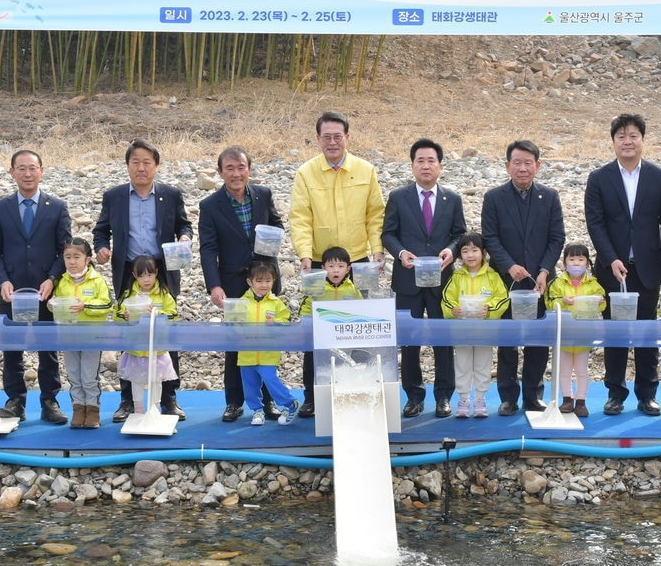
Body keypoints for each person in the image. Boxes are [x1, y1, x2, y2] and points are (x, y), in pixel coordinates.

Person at [584, 113, 661, 416]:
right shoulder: (599, 178)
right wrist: (610, 257)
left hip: (647, 267)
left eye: (633, 135)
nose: (628, 141)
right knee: (615, 334)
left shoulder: (658, 176)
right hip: (612, 268)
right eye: (621, 136)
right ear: (613, 141)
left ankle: (647, 394)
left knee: (646, 333)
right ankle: (615, 393)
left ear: (642, 139)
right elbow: (595, 223)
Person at [289, 111, 385, 417]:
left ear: (348, 137)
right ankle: (313, 395)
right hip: (318, 263)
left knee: (358, 328)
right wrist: (304, 254)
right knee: (315, 331)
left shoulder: (366, 171)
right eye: (326, 137)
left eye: (338, 136)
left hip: (357, 261)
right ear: (318, 139)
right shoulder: (306, 173)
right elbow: (300, 217)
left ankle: (356, 388)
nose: (332, 142)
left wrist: (378, 250)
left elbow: (375, 215)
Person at [94, 139, 193, 421]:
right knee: (129, 331)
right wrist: (102, 247)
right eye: (135, 162)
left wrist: (185, 237)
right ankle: (127, 398)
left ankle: (169, 397)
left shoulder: (170, 195)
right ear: (127, 166)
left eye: (147, 162)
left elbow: (183, 224)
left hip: (162, 269)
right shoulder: (114, 196)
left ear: (156, 166)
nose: (141, 167)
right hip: (128, 271)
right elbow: (101, 230)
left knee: (166, 330)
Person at [198, 145, 285, 423]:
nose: (236, 173)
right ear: (221, 172)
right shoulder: (210, 206)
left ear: (249, 169)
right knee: (236, 343)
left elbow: (277, 224)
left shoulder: (263, 194)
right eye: (230, 168)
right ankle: (234, 402)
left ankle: (268, 402)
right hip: (233, 284)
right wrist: (214, 285)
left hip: (264, 280)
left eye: (241, 167)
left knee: (267, 343)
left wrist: (273, 236)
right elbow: (208, 249)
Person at [0, 148, 72, 424]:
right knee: (12, 348)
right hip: (12, 291)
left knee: (48, 348)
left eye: (32, 168)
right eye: (21, 168)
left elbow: (65, 250)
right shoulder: (1, 208)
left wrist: (53, 278)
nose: (27, 173)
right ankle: (15, 401)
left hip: (45, 291)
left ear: (42, 171)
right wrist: (2, 281)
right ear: (12, 172)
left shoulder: (57, 207)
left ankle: (50, 401)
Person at [383, 138, 466, 418]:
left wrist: (451, 251)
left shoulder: (452, 199)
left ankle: (444, 396)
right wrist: (401, 253)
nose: (426, 165)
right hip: (408, 281)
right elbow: (388, 234)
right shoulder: (398, 197)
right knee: (410, 341)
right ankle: (414, 396)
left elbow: (460, 234)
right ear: (412, 166)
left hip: (442, 282)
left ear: (440, 166)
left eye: (431, 160)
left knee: (443, 340)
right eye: (421, 160)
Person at [482, 140, 566, 415]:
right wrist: (509, 266)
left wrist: (543, 270)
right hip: (506, 280)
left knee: (537, 339)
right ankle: (508, 396)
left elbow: (557, 238)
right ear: (507, 166)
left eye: (528, 162)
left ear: (537, 166)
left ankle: (533, 394)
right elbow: (490, 238)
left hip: (540, 280)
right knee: (507, 339)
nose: (522, 168)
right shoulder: (493, 198)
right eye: (516, 162)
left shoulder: (550, 196)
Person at [441, 232, 510, 418]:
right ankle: (463, 399)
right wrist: (453, 310)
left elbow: (502, 298)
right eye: (465, 251)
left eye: (474, 250)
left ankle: (480, 398)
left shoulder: (493, 276)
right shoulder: (456, 277)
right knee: (462, 364)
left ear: (484, 252)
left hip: (484, 332)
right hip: (461, 332)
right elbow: (447, 299)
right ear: (460, 255)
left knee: (482, 364)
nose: (470, 255)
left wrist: (490, 309)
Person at [53, 237, 113, 429]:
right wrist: (52, 304)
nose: (72, 261)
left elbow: (106, 304)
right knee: (73, 376)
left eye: (77, 257)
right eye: (67, 257)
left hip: (92, 338)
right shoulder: (62, 282)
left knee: (89, 377)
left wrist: (85, 306)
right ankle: (78, 409)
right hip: (68, 337)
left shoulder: (97, 280)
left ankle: (93, 410)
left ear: (87, 259)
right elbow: (56, 303)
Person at [545, 242, 605, 416]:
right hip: (562, 334)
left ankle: (581, 401)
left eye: (581, 259)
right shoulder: (557, 283)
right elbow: (549, 303)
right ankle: (566, 399)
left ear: (587, 263)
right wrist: (562, 301)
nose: (576, 263)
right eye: (572, 259)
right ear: (564, 263)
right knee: (563, 370)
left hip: (583, 335)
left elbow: (602, 303)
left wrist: (601, 301)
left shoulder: (593, 284)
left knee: (581, 370)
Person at [238, 258, 300, 426]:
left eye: (268, 280)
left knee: (270, 379)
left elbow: (286, 319)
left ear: (274, 281)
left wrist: (277, 323)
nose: (264, 285)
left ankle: (290, 404)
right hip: (246, 353)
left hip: (268, 352)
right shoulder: (241, 303)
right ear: (249, 282)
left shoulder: (277, 303)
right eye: (259, 281)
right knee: (249, 385)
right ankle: (257, 411)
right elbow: (233, 323)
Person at [117, 254, 179, 416]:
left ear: (156, 273)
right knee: (136, 380)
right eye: (142, 275)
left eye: (150, 274)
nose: (146, 279)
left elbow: (173, 315)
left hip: (157, 348)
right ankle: (137, 410)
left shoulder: (164, 294)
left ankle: (154, 410)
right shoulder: (128, 295)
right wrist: (126, 316)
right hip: (136, 348)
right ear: (134, 276)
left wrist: (158, 313)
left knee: (156, 380)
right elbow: (117, 315)